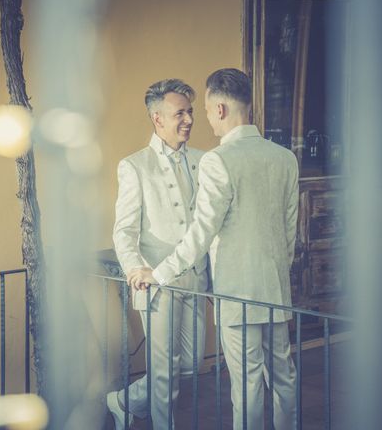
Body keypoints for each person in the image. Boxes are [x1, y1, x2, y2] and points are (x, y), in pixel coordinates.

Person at [128, 69, 298, 430]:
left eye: (202, 110)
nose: (198, 119)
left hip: (237, 294)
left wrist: (157, 273)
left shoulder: (217, 160)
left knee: (248, 384)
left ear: (219, 109)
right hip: (277, 290)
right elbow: (289, 233)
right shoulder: (285, 158)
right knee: (285, 378)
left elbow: (201, 233)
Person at [108, 78, 210, 430]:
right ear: (158, 119)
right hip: (155, 285)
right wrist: (134, 267)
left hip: (195, 279)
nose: (189, 120)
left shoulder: (204, 160)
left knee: (191, 363)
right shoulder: (134, 166)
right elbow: (124, 230)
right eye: (180, 113)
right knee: (164, 372)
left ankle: (123, 400)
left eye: (191, 112)